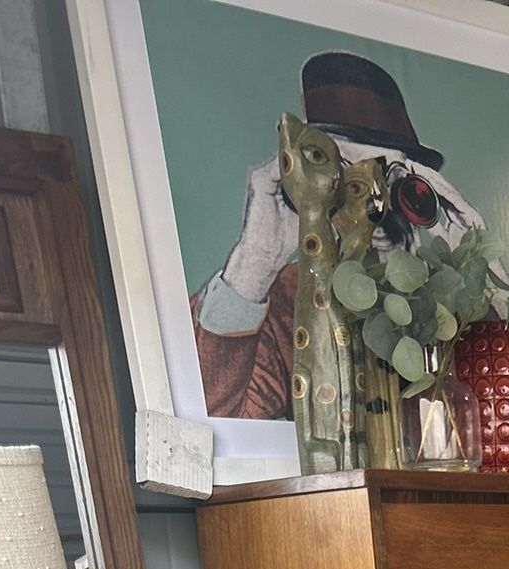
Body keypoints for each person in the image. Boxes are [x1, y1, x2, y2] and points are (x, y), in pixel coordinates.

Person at [192, 52, 492, 420]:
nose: (373, 204)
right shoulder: (284, 304)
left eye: (391, 179)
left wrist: (481, 265)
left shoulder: (446, 305)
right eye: (348, 182)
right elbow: (214, 429)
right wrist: (252, 264)